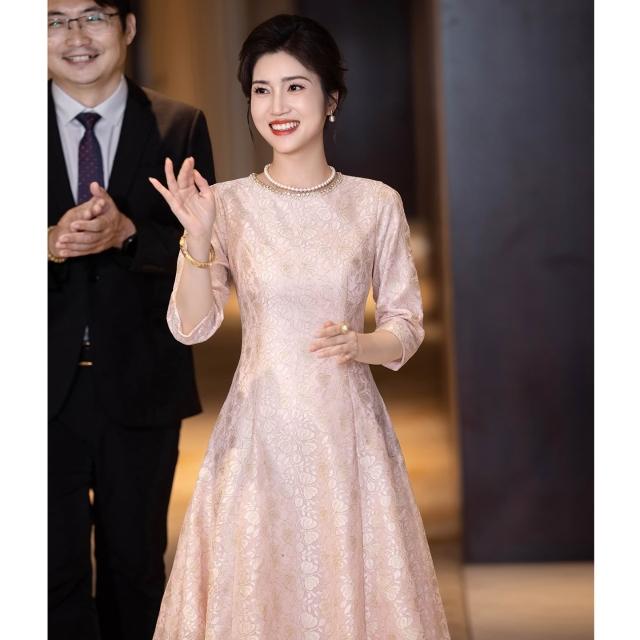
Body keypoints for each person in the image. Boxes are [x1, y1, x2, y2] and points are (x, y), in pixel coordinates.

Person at [150, 14, 450, 639]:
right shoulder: (225, 204)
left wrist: (361, 343)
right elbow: (192, 327)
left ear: (331, 98)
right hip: (257, 433)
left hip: (347, 435)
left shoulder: (375, 203)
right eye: (261, 90)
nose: (277, 106)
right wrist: (197, 240)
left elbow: (406, 326)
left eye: (295, 86)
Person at [47, 1, 215, 639]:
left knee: (136, 569)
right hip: (37, 389)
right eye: (54, 20)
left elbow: (206, 251)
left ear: (127, 27)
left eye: (92, 16)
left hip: (142, 382)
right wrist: (46, 243)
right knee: (48, 574)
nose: (75, 35)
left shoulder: (178, 124)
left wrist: (128, 235)